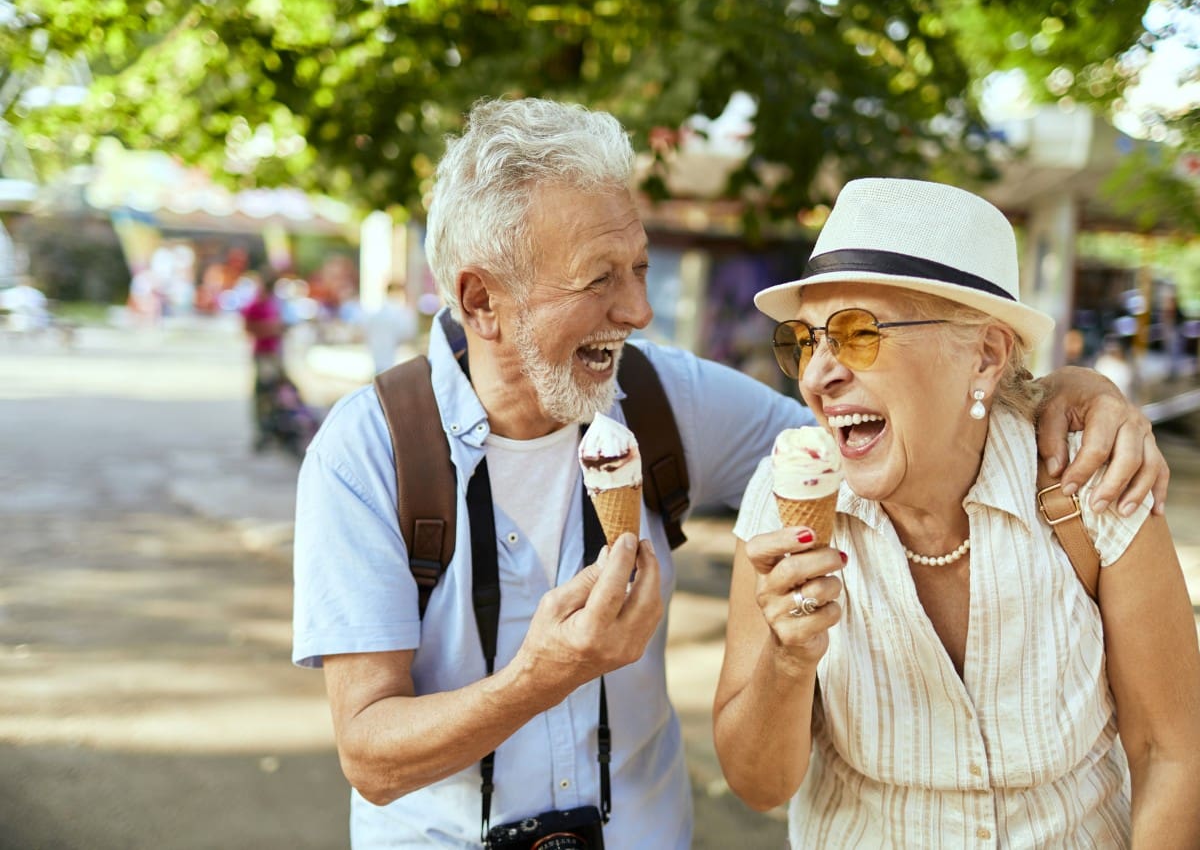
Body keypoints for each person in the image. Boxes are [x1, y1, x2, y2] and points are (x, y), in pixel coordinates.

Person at [292, 100, 1169, 849]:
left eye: (638, 267)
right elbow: (370, 754)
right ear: (480, 299)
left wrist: (1070, 392)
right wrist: (548, 672)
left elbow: (881, 431)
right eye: (600, 279)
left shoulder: (666, 398)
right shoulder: (369, 454)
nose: (636, 311)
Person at [713, 178, 1200, 847]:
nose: (816, 375)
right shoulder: (785, 495)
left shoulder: (1093, 481)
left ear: (986, 356)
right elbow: (758, 785)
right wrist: (788, 661)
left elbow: (1170, 754)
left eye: (858, 333)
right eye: (806, 339)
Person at [241, 269, 286, 451]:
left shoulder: (272, 304)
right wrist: (271, 329)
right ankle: (263, 431)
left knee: (278, 394)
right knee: (263, 395)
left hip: (274, 354)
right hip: (263, 354)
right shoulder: (255, 305)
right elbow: (247, 329)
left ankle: (278, 429)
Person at [365, 280, 419, 373]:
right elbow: (409, 333)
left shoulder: (377, 313)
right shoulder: (401, 313)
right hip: (396, 363)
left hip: (381, 362)